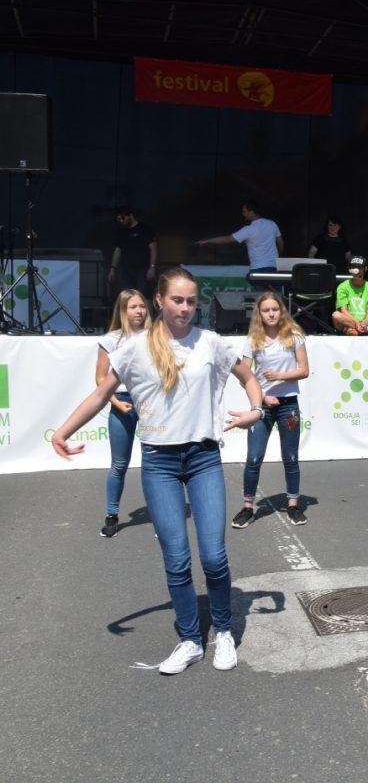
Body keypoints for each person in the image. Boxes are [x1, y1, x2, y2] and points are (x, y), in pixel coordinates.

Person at [52, 267, 265, 675]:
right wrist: (62, 431)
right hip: (159, 463)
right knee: (177, 559)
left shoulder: (211, 342)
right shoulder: (135, 348)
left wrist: (255, 411)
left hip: (203, 458)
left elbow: (248, 377)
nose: (185, 308)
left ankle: (222, 630)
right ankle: (190, 640)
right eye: (177, 300)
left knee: (214, 556)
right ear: (159, 300)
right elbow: (101, 394)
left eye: (191, 301)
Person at [232, 292, 310, 529]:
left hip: (289, 405)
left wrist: (279, 376)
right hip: (262, 406)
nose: (271, 314)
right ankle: (248, 508)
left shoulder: (294, 336)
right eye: (266, 310)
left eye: (275, 309)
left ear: (281, 311)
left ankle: (293, 505)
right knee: (254, 457)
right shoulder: (252, 340)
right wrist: (263, 396)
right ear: (259, 313)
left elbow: (304, 370)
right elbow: (244, 376)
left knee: (291, 457)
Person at [95, 288, 151, 538]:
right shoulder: (111, 340)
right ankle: (112, 514)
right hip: (122, 403)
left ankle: (162, 515)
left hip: (150, 403)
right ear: (122, 310)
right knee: (119, 464)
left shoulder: (156, 336)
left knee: (154, 464)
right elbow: (100, 379)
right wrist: (116, 402)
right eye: (133, 307)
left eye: (142, 306)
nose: (139, 311)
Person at [196, 201, 283, 291]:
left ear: (251, 212)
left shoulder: (249, 229)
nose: (243, 214)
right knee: (278, 296)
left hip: (257, 269)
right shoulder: (272, 224)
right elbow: (280, 242)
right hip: (273, 267)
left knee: (260, 296)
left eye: (245, 211)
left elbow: (227, 239)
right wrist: (277, 257)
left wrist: (207, 241)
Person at [107, 207, 157, 297]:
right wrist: (112, 268)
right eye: (119, 219)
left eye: (123, 218)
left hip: (142, 270)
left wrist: (152, 267)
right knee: (127, 296)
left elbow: (153, 248)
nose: (121, 221)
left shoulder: (145, 229)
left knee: (143, 296)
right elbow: (118, 251)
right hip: (126, 271)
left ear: (130, 216)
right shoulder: (122, 232)